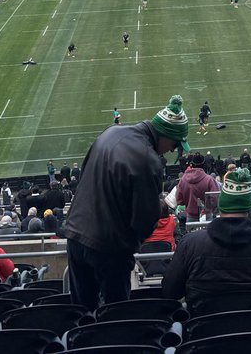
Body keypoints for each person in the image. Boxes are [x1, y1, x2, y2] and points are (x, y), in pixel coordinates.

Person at [64, 94, 190, 309]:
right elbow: (144, 219)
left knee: (82, 311)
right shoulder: (148, 159)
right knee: (116, 316)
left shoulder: (110, 132)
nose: (172, 150)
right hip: (109, 246)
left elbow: (86, 179)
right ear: (165, 135)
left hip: (75, 234)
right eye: (175, 144)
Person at [162, 169, 251, 311]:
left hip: (204, 330)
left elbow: (170, 290)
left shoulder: (190, 244)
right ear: (249, 208)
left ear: (221, 206)